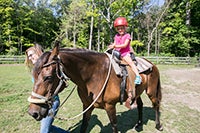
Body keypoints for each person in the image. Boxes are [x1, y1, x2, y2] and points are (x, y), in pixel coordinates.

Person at [25, 43, 69, 133]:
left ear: (37, 52)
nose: (29, 58)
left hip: (51, 103)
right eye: (28, 56)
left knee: (44, 130)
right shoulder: (37, 69)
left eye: (31, 55)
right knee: (47, 127)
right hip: (41, 102)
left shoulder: (49, 66)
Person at [109, 17, 141, 109]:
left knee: (130, 63)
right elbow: (115, 44)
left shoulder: (127, 36)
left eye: (122, 28)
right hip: (118, 53)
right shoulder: (116, 36)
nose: (120, 30)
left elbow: (124, 45)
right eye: (118, 28)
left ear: (125, 28)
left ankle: (138, 76)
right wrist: (112, 47)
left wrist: (115, 45)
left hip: (125, 53)